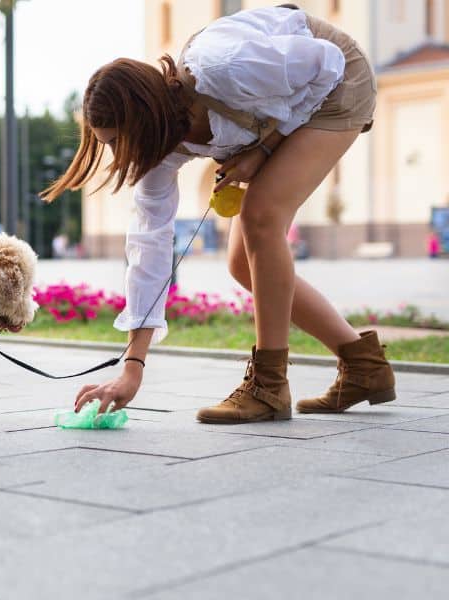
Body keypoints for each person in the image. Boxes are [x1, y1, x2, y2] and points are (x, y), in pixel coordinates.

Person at [41, 4, 396, 424]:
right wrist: (132, 370)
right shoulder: (159, 150)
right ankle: (364, 367)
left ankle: (268, 387)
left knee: (260, 215)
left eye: (119, 140)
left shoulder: (223, 67)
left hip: (336, 81)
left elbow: (327, 63)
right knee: (242, 264)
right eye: (109, 144)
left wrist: (265, 148)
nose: (120, 154)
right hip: (287, 104)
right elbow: (149, 249)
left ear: (145, 118)